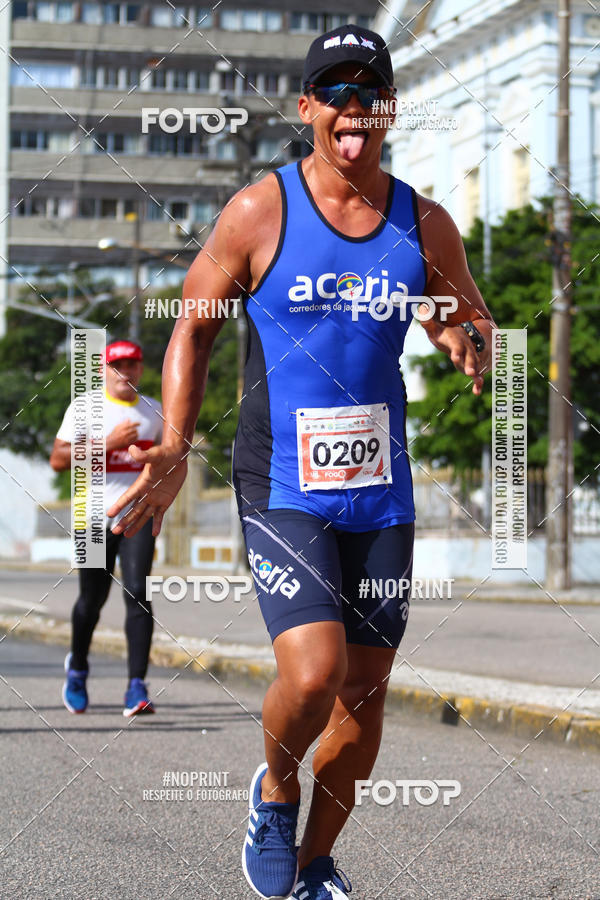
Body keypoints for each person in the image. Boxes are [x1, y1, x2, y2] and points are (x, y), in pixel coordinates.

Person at [107, 24, 496, 899]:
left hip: (379, 488)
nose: (355, 110)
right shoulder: (260, 211)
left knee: (362, 708)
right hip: (282, 477)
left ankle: (316, 864)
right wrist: (174, 442)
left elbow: (461, 315)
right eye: (338, 93)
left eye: (372, 93)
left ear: (391, 109)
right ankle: (276, 787)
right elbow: (193, 329)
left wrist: (469, 338)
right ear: (309, 108)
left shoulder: (424, 221)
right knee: (314, 673)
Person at [50, 339, 162, 717]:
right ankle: (78, 669)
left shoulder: (154, 412)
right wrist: (107, 443)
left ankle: (136, 686)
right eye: (118, 366)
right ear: (103, 370)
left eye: (132, 365)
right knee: (92, 600)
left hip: (137, 517)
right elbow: (57, 459)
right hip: (93, 518)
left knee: (137, 592)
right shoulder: (85, 408)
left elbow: (167, 462)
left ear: (140, 369)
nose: (125, 372)